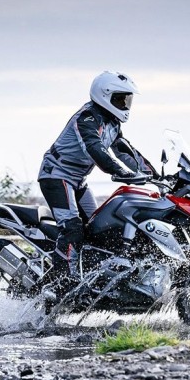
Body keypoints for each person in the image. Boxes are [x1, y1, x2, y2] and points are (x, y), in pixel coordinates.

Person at [38, 71, 156, 280]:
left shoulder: (113, 122)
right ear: (104, 95)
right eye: (119, 99)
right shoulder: (87, 118)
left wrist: (154, 175)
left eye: (126, 100)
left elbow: (124, 151)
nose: (125, 105)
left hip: (78, 181)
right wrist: (120, 172)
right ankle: (61, 281)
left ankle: (89, 276)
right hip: (56, 176)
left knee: (99, 227)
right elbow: (95, 149)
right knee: (72, 228)